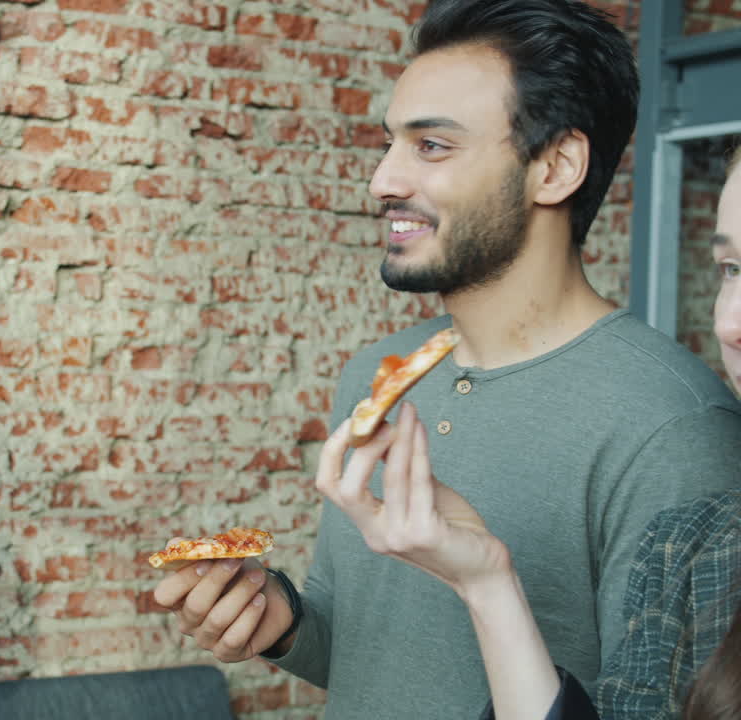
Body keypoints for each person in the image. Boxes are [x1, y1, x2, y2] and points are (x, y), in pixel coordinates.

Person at [152, 1, 741, 718]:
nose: (382, 180)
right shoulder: (380, 375)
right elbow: (362, 645)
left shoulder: (674, 427)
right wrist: (281, 621)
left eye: (432, 146)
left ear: (554, 167)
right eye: (391, 142)